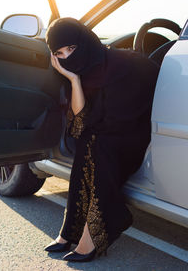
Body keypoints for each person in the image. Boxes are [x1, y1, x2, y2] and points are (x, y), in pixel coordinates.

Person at [44, 17, 159, 262]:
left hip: (133, 135)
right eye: (60, 53)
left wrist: (98, 129)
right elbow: (80, 121)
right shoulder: (79, 72)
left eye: (72, 48)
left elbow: (128, 115)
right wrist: (74, 79)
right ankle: (71, 231)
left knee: (99, 146)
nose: (68, 57)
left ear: (84, 41)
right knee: (88, 140)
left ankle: (91, 233)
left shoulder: (125, 64)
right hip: (105, 133)